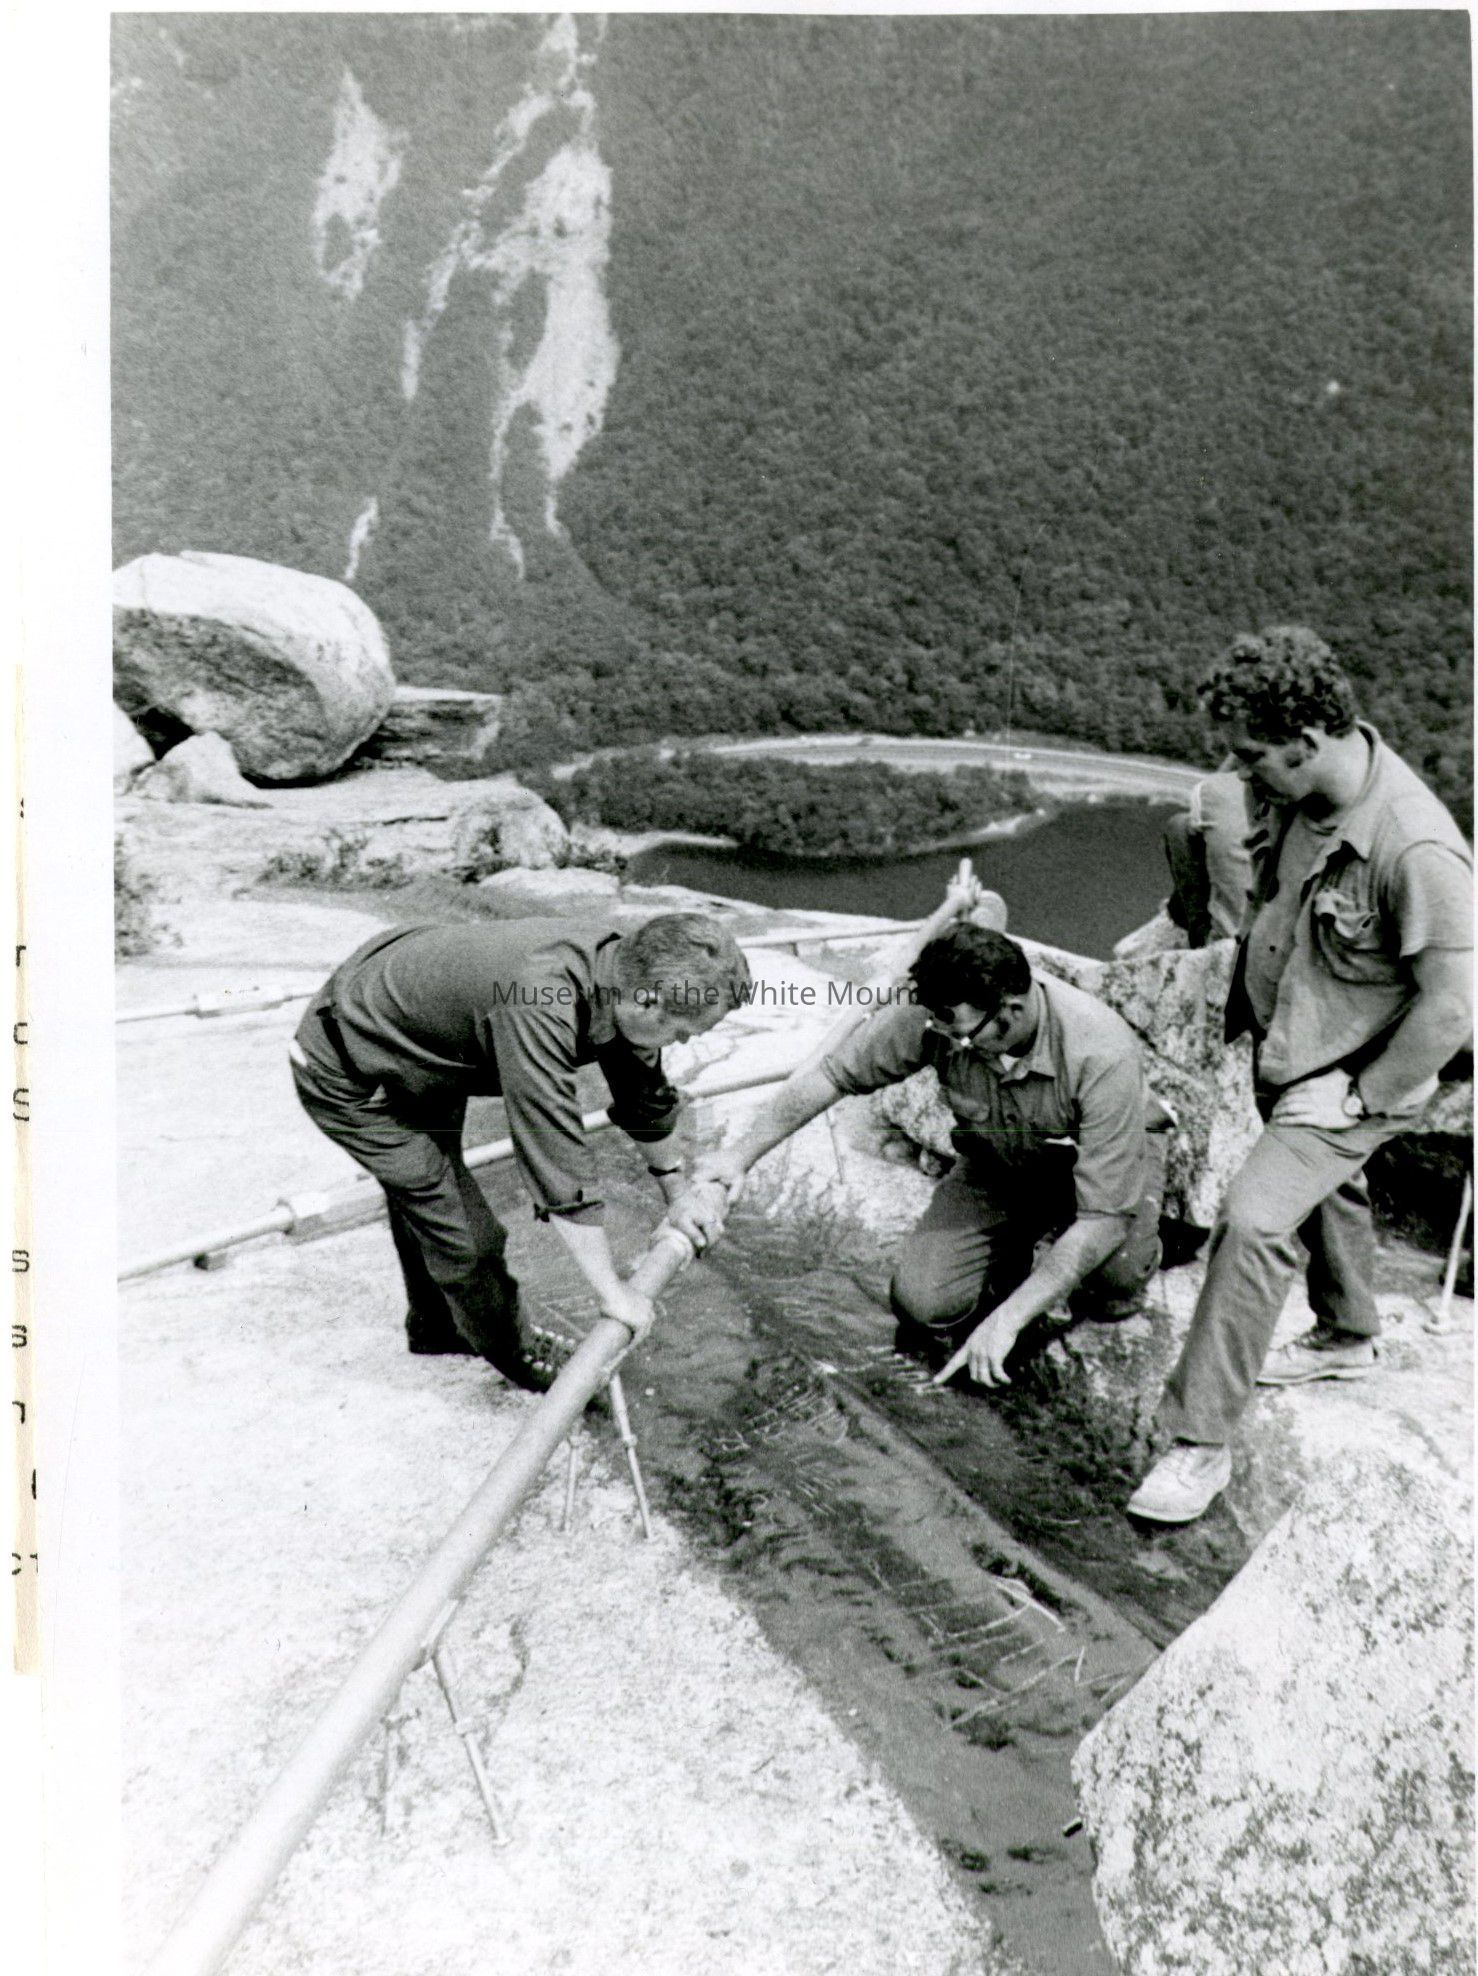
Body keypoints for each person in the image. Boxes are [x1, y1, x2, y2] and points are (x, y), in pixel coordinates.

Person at [1129, 628, 1473, 1523]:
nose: (1237, 771)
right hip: (1292, 1045)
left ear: (1307, 739)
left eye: (1250, 754)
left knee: (1254, 1220)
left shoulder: (1415, 847)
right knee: (1322, 1184)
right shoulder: (1296, 788)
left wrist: (1360, 1095)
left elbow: (1452, 1009)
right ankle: (1350, 1333)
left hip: (1357, 1071)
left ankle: (1199, 1444)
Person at [671, 916, 1166, 1387]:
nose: (943, 1035)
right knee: (922, 1302)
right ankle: (1011, 1257)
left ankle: (1148, 1235)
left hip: (1096, 1167)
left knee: (1116, 1278)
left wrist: (1008, 1321)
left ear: (1011, 1013)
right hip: (999, 1163)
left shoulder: (1100, 1052)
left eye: (959, 1032)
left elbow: (1104, 1217)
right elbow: (833, 1075)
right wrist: (739, 1156)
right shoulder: (942, 1009)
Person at [290, 914, 750, 1390]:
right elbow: (555, 1155)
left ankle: (436, 1327)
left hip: (421, 1035)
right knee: (465, 1234)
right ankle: (516, 1353)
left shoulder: (622, 971)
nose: (682, 1042)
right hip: (351, 1065)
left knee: (430, 1196)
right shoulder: (541, 1000)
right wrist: (614, 1294)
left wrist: (678, 1195)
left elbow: (643, 1096)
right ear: (647, 1000)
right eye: (682, 1033)